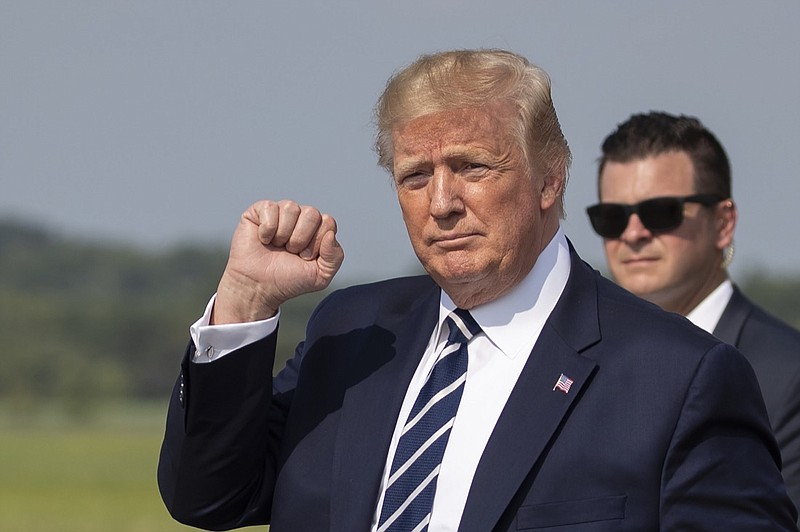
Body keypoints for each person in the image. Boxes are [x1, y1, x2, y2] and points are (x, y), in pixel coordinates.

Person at [158, 51, 797, 531]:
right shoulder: (351, 335)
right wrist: (244, 300)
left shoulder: (680, 379)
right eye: (415, 176)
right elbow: (208, 498)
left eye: (471, 167)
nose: (441, 203)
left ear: (550, 181)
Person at [588, 110, 800, 513]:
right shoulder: (581, 367)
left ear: (723, 223)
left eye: (660, 212)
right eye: (612, 218)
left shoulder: (789, 376)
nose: (633, 234)